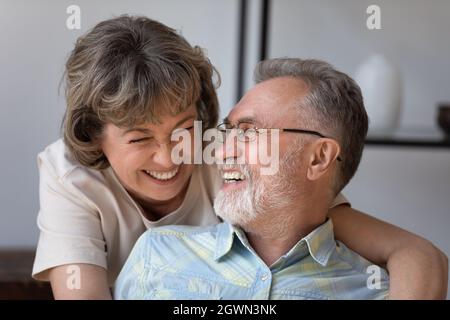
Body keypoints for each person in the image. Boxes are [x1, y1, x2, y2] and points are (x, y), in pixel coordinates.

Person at [32, 15, 448, 299]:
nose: (170, 157)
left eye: (183, 129)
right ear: (95, 137)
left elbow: (414, 252)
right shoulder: (69, 176)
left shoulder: (228, 156)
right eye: (140, 139)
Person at [114, 58, 390, 299]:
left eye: (247, 132)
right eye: (227, 131)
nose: (221, 153)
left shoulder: (375, 290)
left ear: (318, 158)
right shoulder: (156, 253)